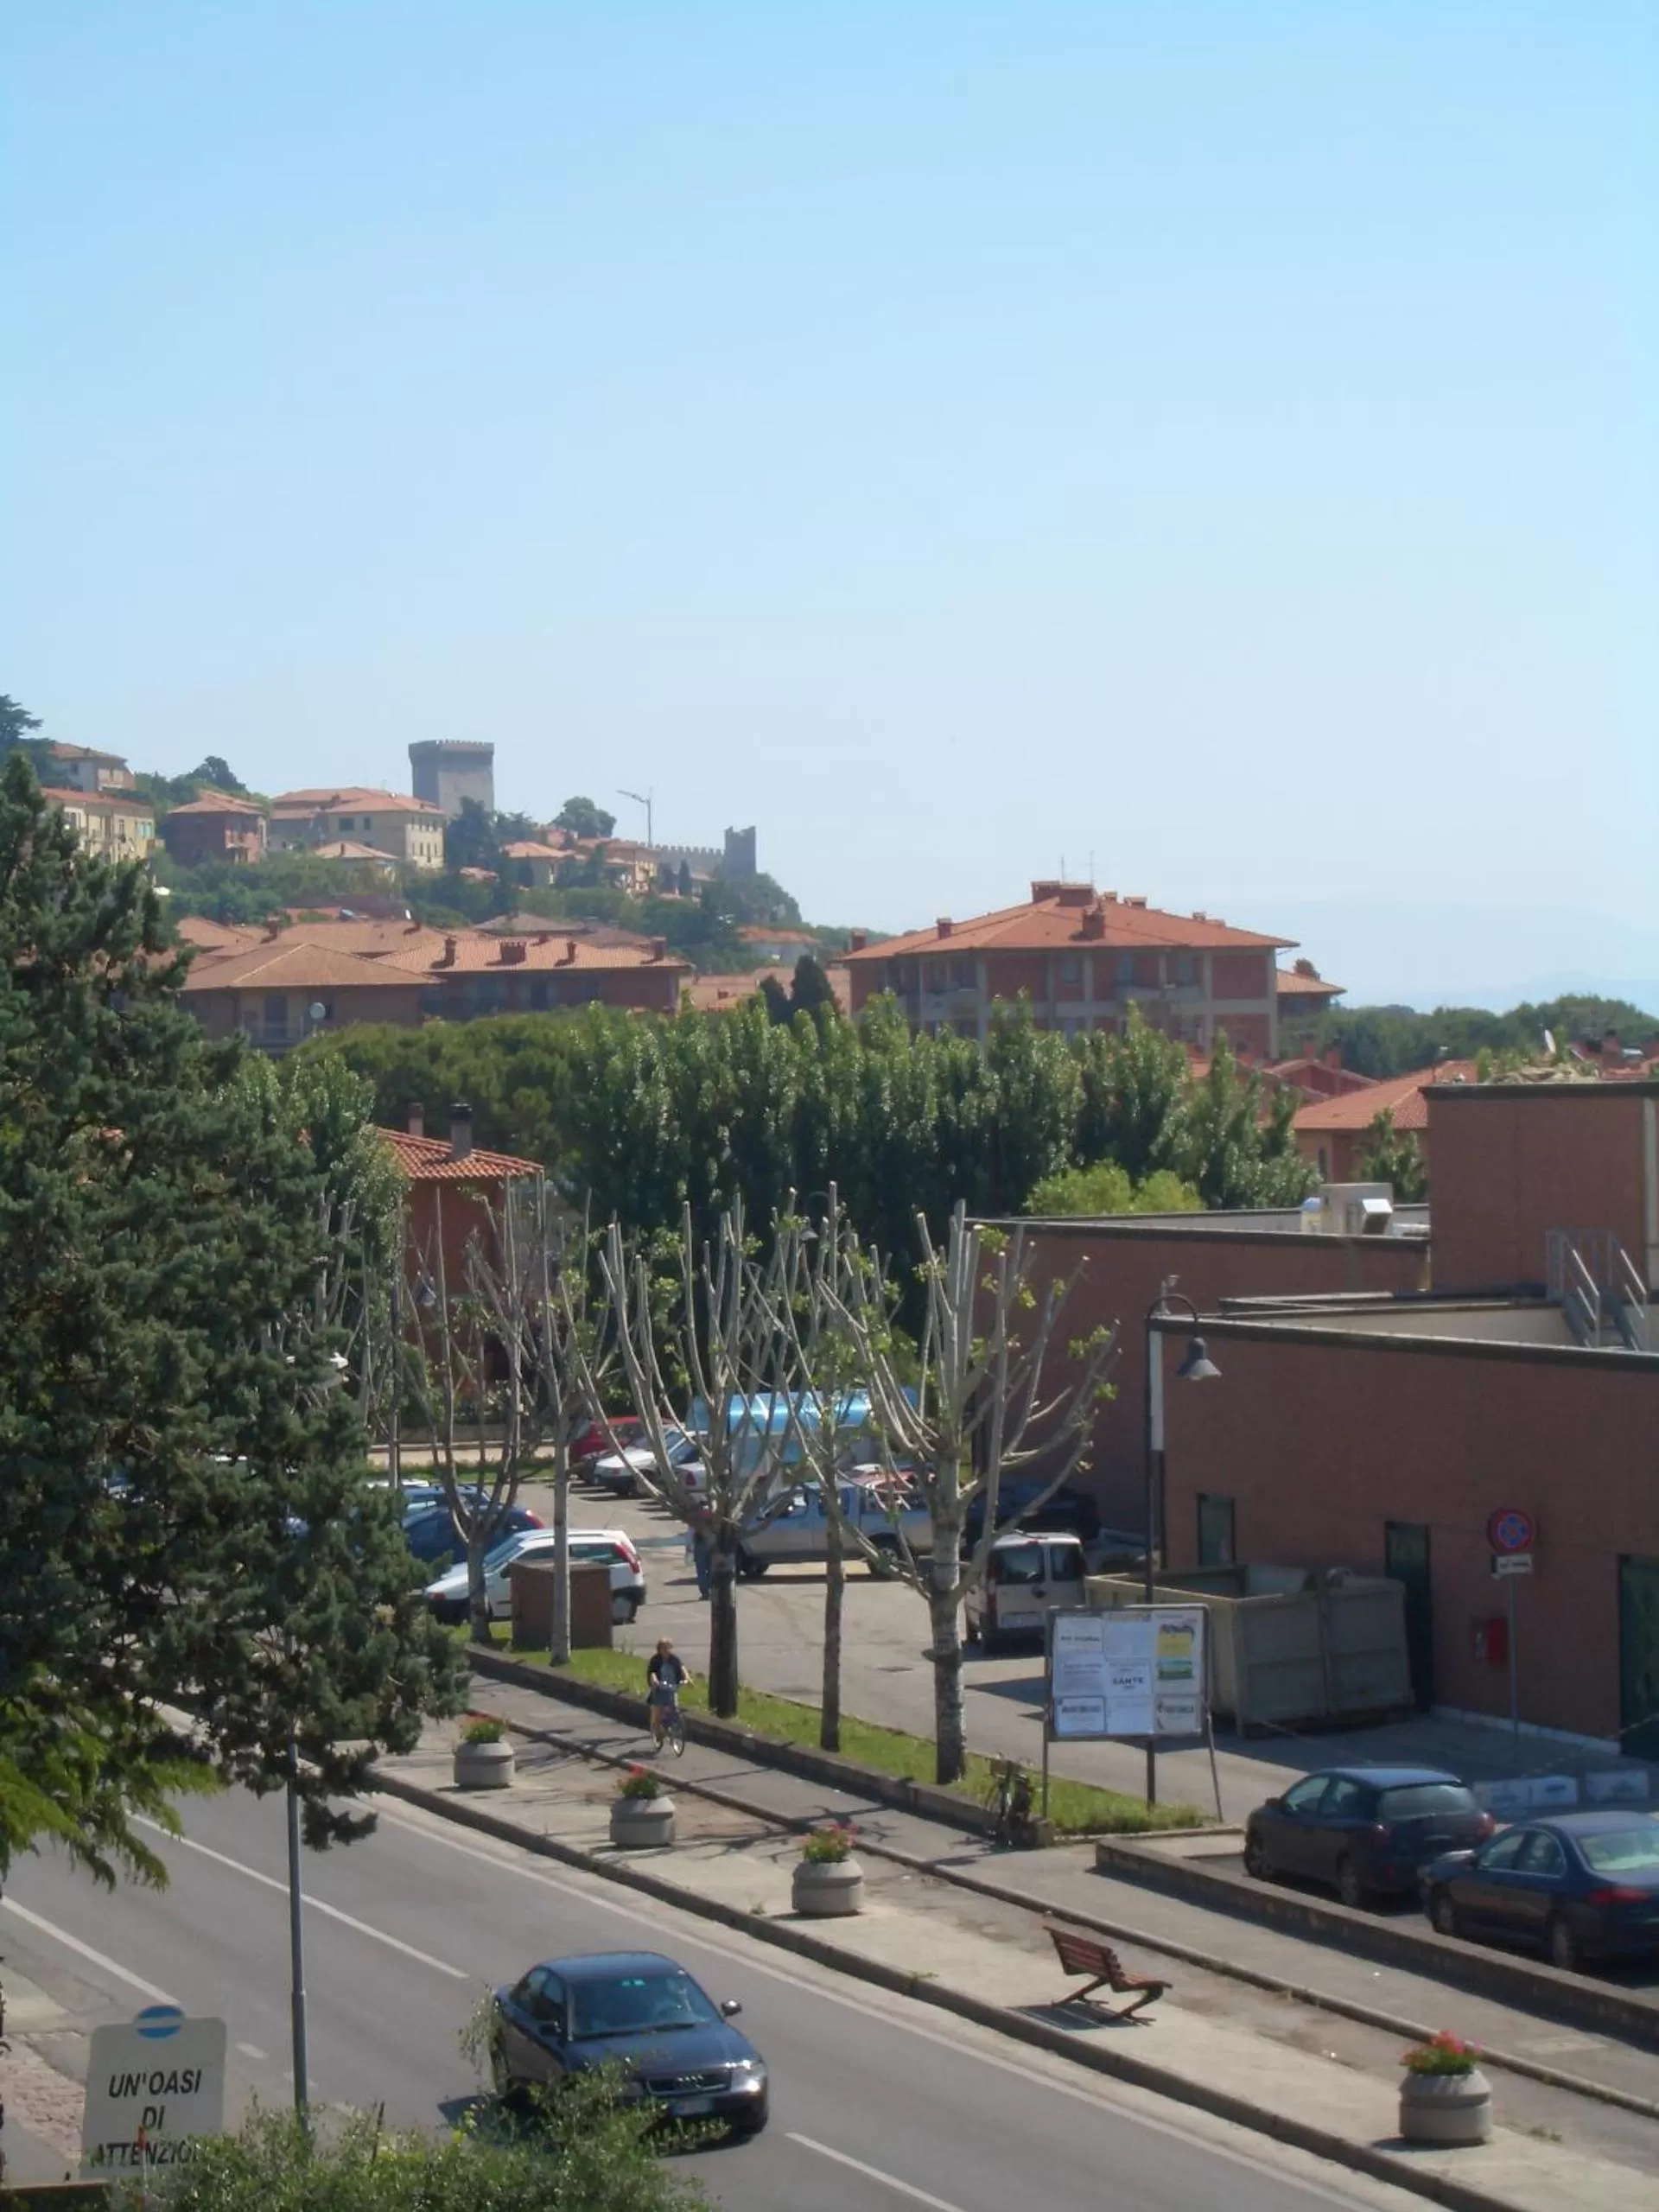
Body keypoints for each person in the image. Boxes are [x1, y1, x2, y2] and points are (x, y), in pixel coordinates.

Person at [646, 1637, 690, 1749]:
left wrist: (687, 1678)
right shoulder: (655, 1660)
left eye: (669, 1648)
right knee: (658, 1712)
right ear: (659, 1649)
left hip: (672, 1688)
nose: (667, 1650)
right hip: (660, 1689)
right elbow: (652, 1673)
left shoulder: (674, 1659)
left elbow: (682, 1668)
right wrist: (655, 1681)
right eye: (664, 1648)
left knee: (674, 1708)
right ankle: (657, 1731)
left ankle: (671, 1728)